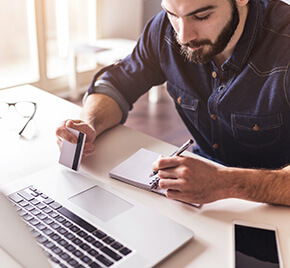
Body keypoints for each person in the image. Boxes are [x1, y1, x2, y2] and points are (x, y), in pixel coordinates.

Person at [56, 0, 290, 206]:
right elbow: (116, 83)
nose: (184, 36)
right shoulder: (164, 32)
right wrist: (89, 124)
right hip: (202, 198)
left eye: (202, 16)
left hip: (275, 208)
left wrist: (225, 183)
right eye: (173, 14)